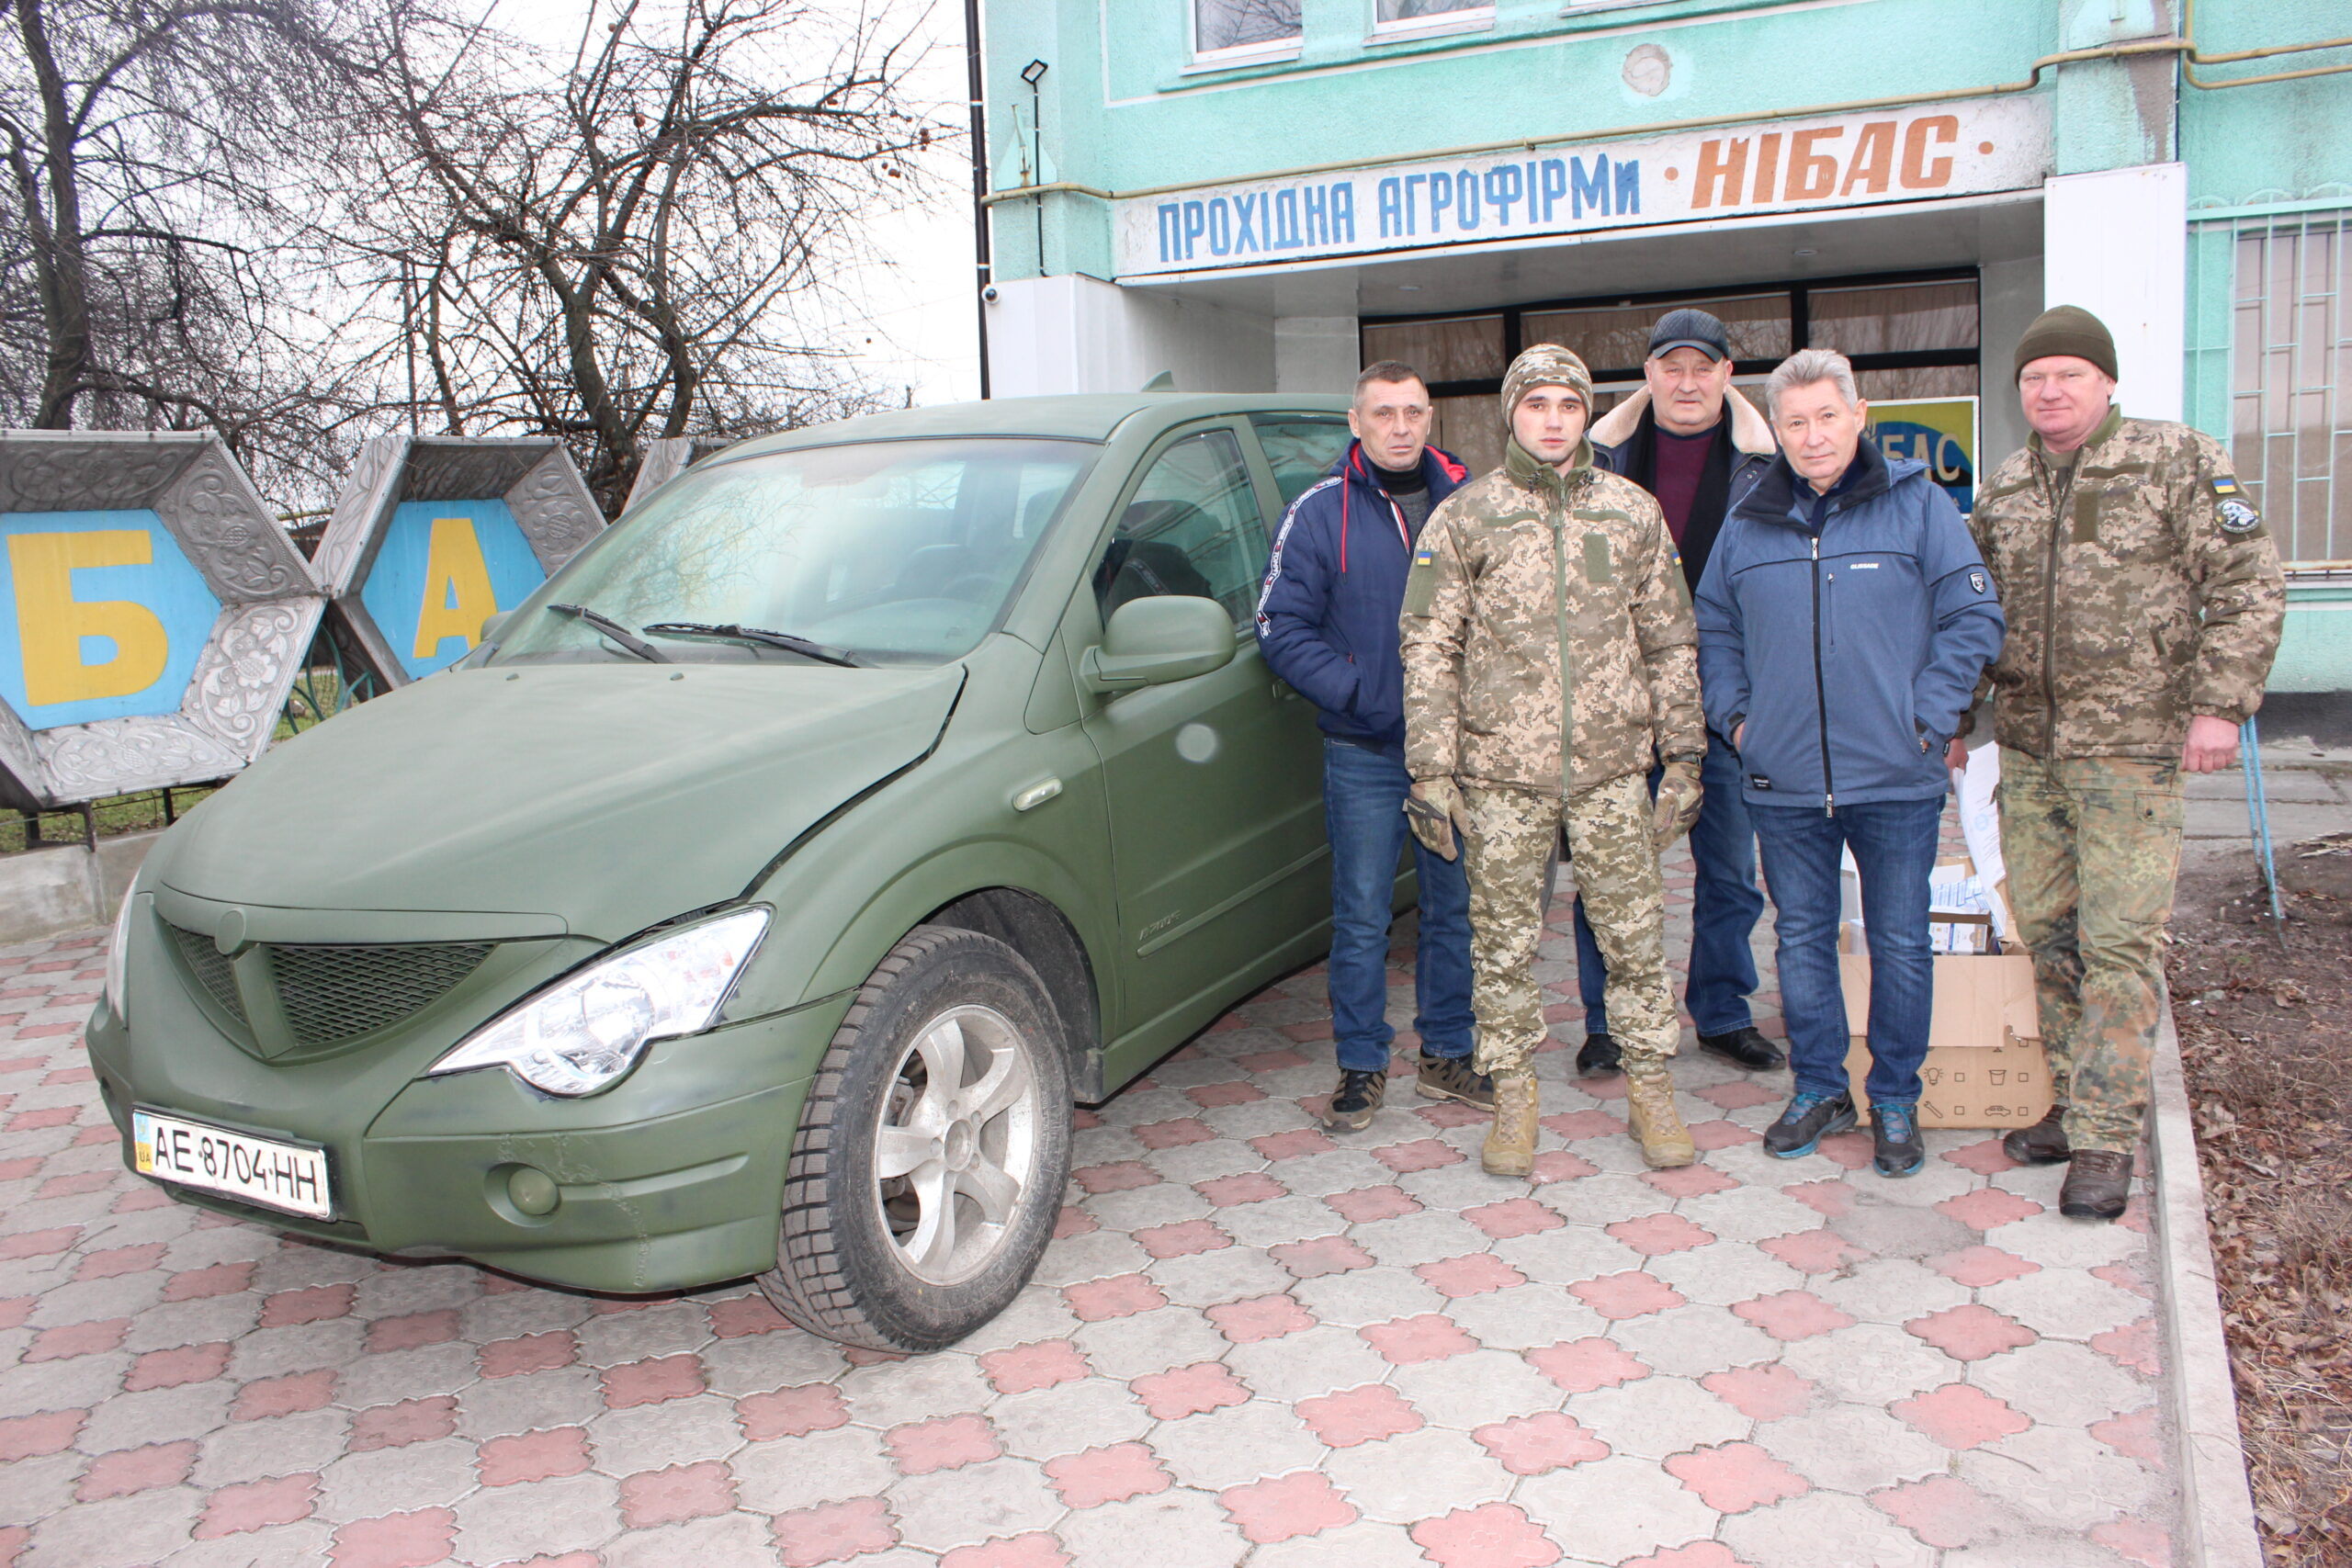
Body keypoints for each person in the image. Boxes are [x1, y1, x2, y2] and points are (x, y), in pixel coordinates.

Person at [1969, 305, 2285, 1220]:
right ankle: (2074, 1101)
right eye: (2035, 377)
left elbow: (2248, 584)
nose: (2050, 390)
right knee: (2050, 937)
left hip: (2133, 754)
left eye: (2069, 373)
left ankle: (2106, 1140)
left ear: (2105, 382)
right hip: (2030, 753)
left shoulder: (2174, 461)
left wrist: (2219, 704)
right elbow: (1976, 620)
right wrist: (1955, 717)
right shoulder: (2007, 490)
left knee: (2117, 946)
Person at [1694, 348, 2004, 1178]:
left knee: (1901, 942)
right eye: (1795, 422)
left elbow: (1973, 616)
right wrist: (1738, 719)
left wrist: (1929, 716)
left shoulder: (1917, 504)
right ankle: (1821, 1086)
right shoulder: (1748, 518)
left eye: (1827, 416)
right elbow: (1714, 624)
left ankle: (1895, 1098)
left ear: (1858, 415)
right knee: (1800, 939)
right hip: (1783, 778)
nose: (1813, 436)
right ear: (1778, 431)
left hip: (1895, 775)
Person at [1399, 344, 1705, 1177]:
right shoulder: (1467, 517)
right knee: (1499, 945)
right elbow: (1429, 644)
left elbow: (1671, 640)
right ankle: (1513, 1101)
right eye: (1536, 405)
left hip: (1611, 770)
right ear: (1511, 414)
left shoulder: (1632, 512)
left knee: (1636, 939)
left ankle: (1651, 1090)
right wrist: (1431, 770)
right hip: (1503, 775)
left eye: (1567, 406)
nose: (1553, 420)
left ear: (1584, 414)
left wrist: (1683, 755)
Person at [1256, 360, 1484, 1133]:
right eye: (1382, 412)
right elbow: (1278, 626)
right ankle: (1361, 1065)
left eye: (1413, 412)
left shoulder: (1470, 503)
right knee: (1360, 916)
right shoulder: (1320, 512)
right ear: (1356, 422)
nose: (1399, 427)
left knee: (1453, 910)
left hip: (1457, 755)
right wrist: (1358, 689)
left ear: (1430, 419)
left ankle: (1448, 1052)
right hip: (1365, 751)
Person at [1578, 308, 1782, 1078]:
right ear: (1650, 375)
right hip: (1620, 708)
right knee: (1609, 870)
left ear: (1729, 375)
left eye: (1705, 367)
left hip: (1722, 702)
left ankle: (1724, 1012)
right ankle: (1605, 1021)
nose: (1688, 382)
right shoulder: (1597, 458)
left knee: (1729, 873)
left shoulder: (1768, 462)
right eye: (1673, 367)